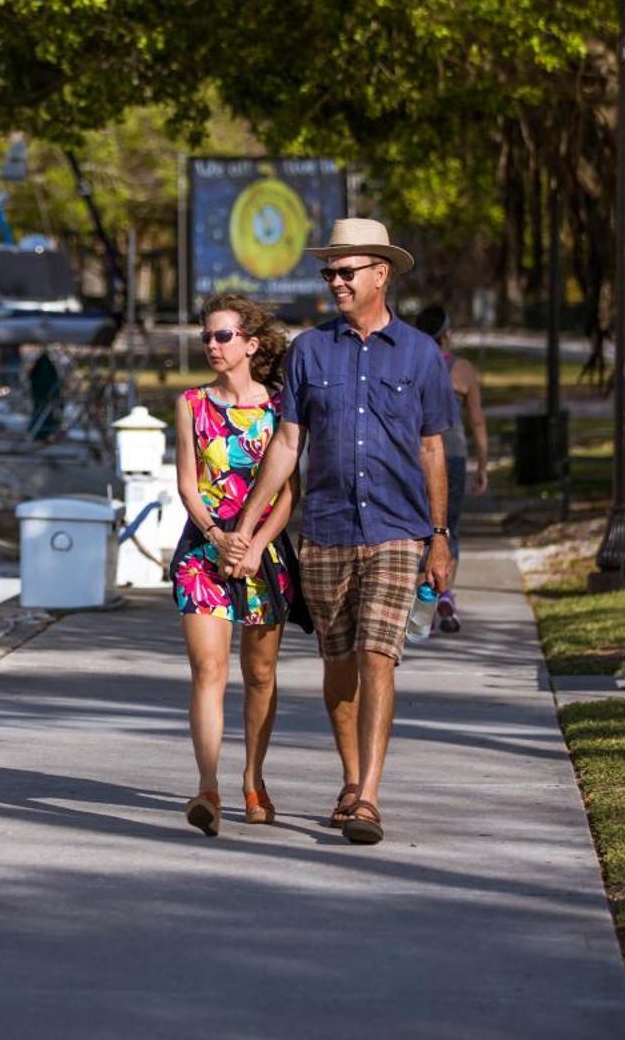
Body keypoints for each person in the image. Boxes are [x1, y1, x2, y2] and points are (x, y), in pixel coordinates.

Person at [231, 218, 453, 846]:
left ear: (380, 274)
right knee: (339, 665)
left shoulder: (420, 355)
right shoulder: (309, 351)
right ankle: (351, 779)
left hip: (397, 529)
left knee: (380, 656)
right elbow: (287, 442)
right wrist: (248, 524)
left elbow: (433, 448)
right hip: (326, 530)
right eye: (328, 271)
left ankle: (370, 798)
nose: (334, 281)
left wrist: (440, 535)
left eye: (345, 271)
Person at [169, 294, 305, 837]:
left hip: (263, 554)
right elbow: (187, 482)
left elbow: (288, 493)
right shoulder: (191, 404)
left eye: (223, 336)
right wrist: (217, 536)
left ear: (250, 344)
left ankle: (254, 777)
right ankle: (208, 787)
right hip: (203, 552)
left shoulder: (278, 407)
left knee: (261, 674)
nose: (212, 345)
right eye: (206, 336)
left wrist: (253, 543)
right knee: (209, 671)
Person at [411, 305, 488, 634]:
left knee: (418, 528)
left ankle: (417, 607)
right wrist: (483, 464)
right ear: (446, 334)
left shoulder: (412, 364)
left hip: (416, 454)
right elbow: (477, 419)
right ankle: (443, 595)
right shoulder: (463, 369)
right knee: (448, 528)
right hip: (453, 455)